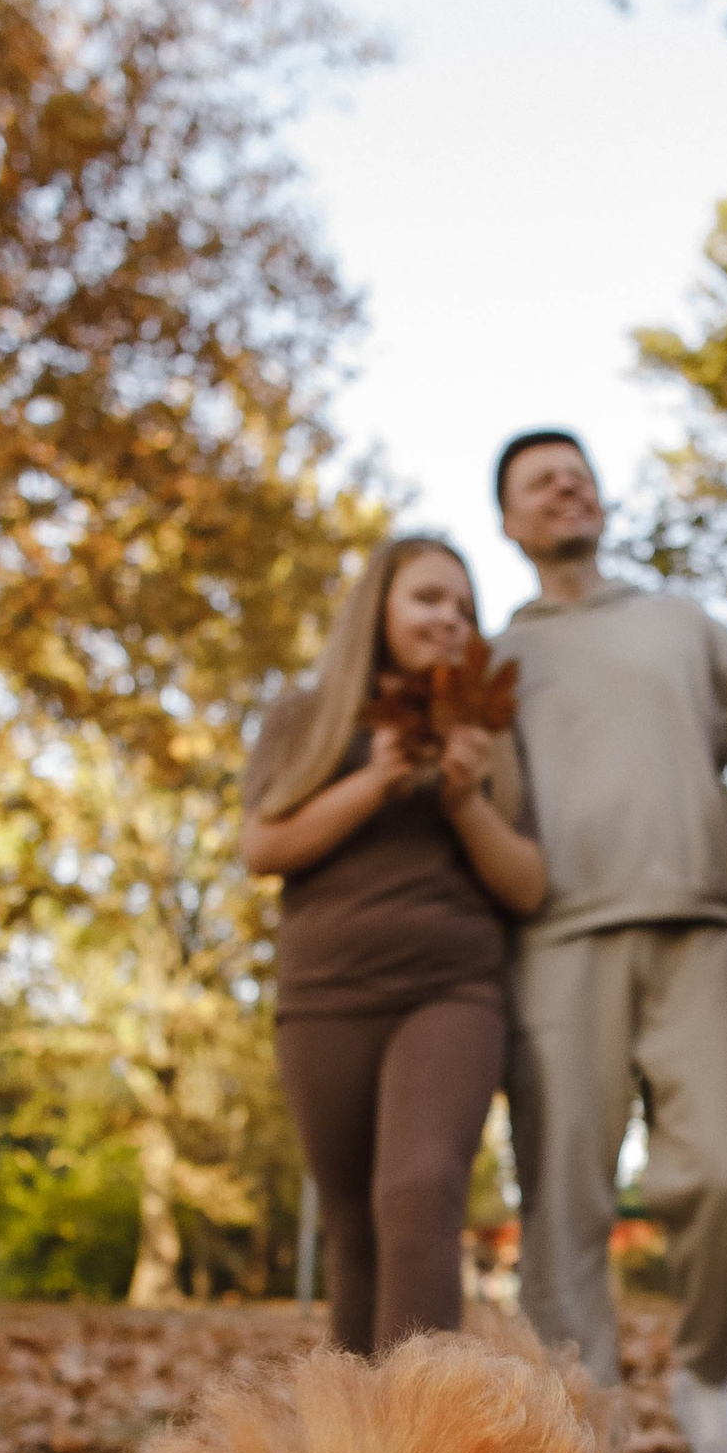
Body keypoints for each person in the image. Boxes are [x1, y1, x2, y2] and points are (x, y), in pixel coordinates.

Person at [492, 429, 727, 1453]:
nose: (564, 486)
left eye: (576, 472)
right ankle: (586, 1438)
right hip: (555, 947)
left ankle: (709, 1372)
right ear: (511, 524)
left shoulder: (679, 623)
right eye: (539, 481)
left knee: (724, 1173)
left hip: (698, 926)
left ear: (600, 501)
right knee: (563, 1199)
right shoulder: (496, 658)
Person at [240, 535, 544, 1356]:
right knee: (351, 1229)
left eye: (465, 609)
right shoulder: (307, 719)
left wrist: (465, 796)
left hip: (449, 991)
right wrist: (375, 779)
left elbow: (526, 886)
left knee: (418, 1194)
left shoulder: (490, 733)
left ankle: (424, 1445)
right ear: (379, 607)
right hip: (325, 996)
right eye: (427, 599)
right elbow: (263, 849)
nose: (449, 620)